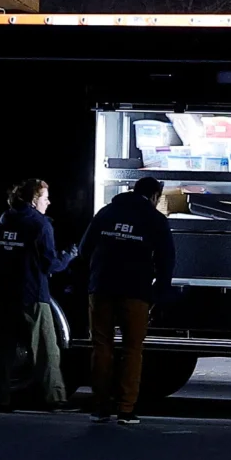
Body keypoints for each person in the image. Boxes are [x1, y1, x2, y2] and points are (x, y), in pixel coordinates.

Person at [77, 177, 175, 425]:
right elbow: (166, 261)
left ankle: (99, 408)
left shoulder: (107, 212)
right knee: (132, 349)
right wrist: (158, 294)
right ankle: (126, 409)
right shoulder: (155, 220)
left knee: (101, 347)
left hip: (101, 289)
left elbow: (83, 249)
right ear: (154, 196)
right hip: (136, 292)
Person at [0, 178, 77, 412]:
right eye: (45, 198)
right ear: (34, 201)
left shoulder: (2, 220)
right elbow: (50, 263)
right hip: (30, 293)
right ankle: (55, 398)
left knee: (2, 348)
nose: (49, 202)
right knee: (45, 348)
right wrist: (70, 256)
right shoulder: (41, 225)